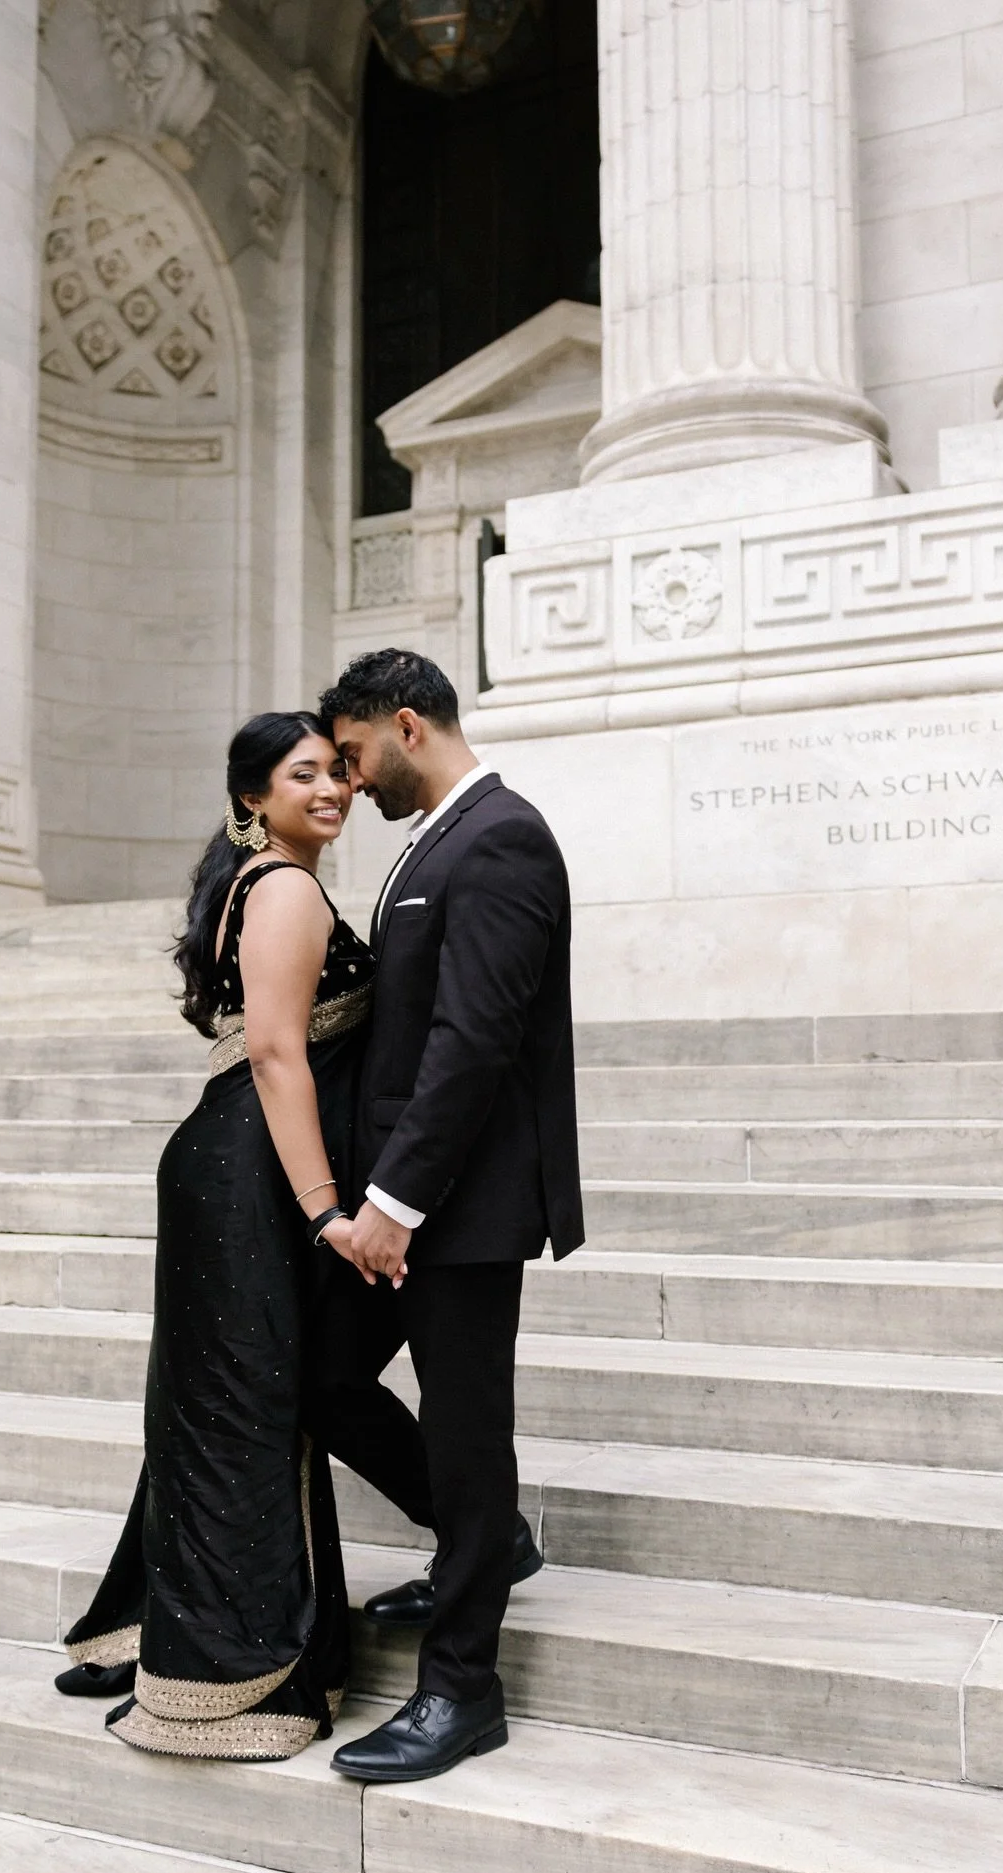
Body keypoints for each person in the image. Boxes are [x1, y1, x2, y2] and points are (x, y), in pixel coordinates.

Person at [57, 711, 375, 1759]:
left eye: (336, 771)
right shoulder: (284, 888)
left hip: (229, 1164)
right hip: (250, 1175)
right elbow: (279, 1055)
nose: (330, 789)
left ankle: (155, 1622)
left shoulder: (262, 880)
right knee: (245, 1410)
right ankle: (227, 1671)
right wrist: (325, 1207)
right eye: (304, 774)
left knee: (215, 1406)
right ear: (252, 797)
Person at [309, 649, 584, 1784]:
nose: (350, 779)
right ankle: (489, 1542)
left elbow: (474, 1043)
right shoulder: (435, 840)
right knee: (321, 1374)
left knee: (469, 1436)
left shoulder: (503, 837)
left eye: (355, 754)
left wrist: (394, 1202)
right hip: (405, 1202)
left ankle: (464, 1687)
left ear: (408, 725)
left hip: (460, 1206)